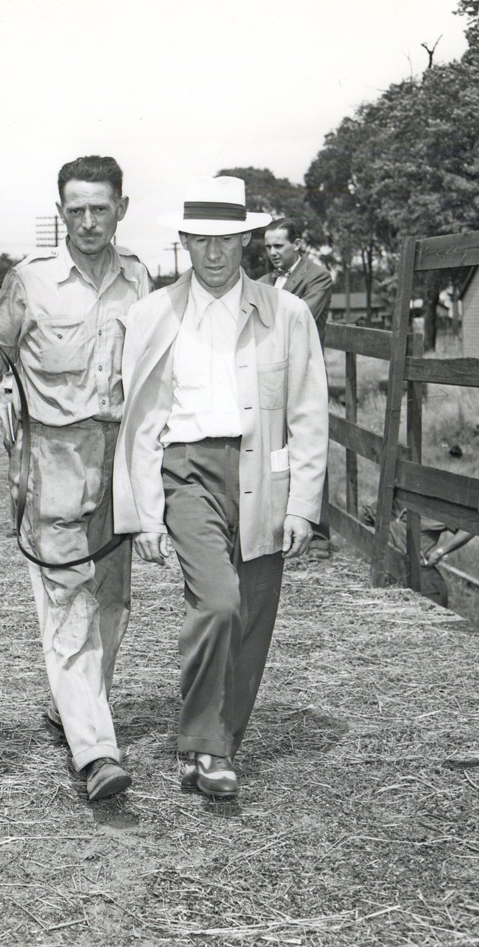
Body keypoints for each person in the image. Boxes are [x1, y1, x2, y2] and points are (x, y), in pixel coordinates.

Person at [115, 176, 328, 799]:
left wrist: (304, 505)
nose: (214, 254)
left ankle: (215, 748)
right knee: (219, 602)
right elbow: (140, 422)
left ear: (247, 241)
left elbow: (310, 413)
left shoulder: (285, 314)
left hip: (264, 473)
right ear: (184, 241)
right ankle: (204, 744)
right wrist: (145, 516)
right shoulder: (151, 315)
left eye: (228, 240)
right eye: (202, 240)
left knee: (254, 614)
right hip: (187, 474)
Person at [0, 155, 151, 801]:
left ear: (122, 208)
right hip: (54, 464)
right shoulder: (30, 282)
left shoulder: (140, 281)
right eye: (76, 210)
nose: (89, 222)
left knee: (113, 607)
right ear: (60, 211)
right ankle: (95, 752)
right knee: (69, 604)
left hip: (119, 463)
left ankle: (71, 708)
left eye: (101, 208)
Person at [259, 217, 334, 557]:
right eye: (268, 247)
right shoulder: (263, 281)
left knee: (307, 444)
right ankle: (274, 525)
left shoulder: (317, 276)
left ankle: (318, 535)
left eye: (279, 246)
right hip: (266, 374)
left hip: (300, 371)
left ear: (298, 244)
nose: (273, 253)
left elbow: (300, 316)